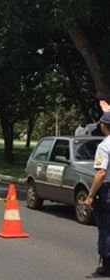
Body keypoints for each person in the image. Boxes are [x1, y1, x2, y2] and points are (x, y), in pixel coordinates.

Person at [84, 111, 110, 276]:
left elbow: (101, 173)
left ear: (103, 125)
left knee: (106, 229)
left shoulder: (104, 146)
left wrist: (91, 195)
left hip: (108, 191)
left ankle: (107, 265)